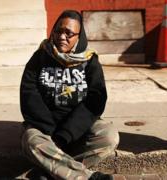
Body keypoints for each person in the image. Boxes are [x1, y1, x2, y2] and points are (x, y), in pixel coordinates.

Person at [20, 10, 119, 180]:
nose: (62, 37)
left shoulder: (90, 61)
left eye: (69, 33)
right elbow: (29, 94)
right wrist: (50, 130)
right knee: (31, 141)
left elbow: (95, 100)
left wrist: (66, 134)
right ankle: (88, 178)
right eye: (58, 31)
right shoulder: (40, 56)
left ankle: (49, 172)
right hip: (46, 128)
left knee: (109, 136)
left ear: (79, 37)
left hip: (77, 128)